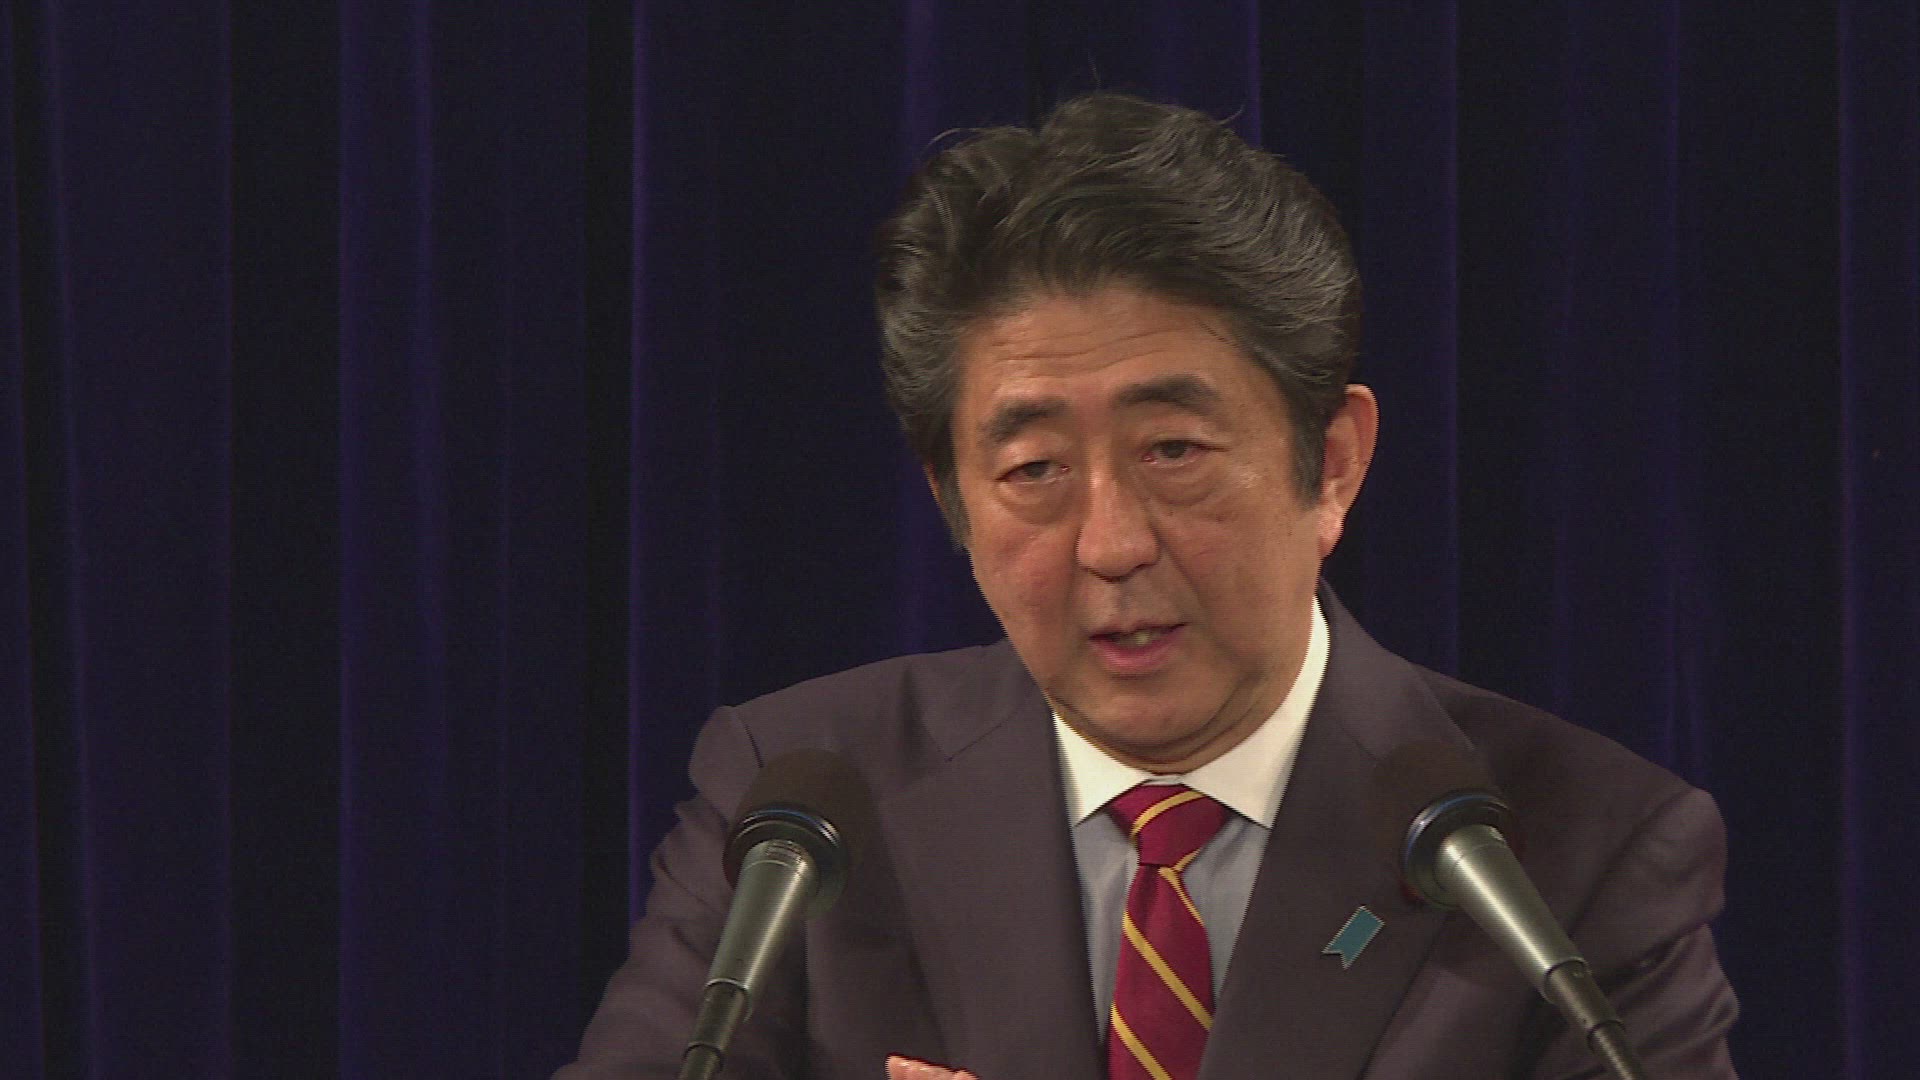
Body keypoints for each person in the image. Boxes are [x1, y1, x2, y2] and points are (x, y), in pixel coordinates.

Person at [556, 92, 1739, 1080]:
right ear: (952, 502)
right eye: (1033, 471)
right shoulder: (801, 809)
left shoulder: (1573, 851)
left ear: (1331, 464)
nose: (1111, 544)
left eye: (1173, 450)